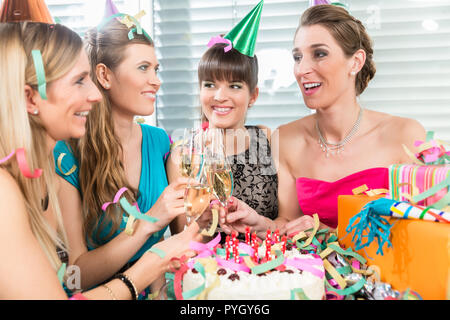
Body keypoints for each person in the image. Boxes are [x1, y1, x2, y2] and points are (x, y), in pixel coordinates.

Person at [0, 21, 199, 300]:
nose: (94, 95)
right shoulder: (11, 189)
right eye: (79, 80)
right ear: (30, 98)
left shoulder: (38, 178)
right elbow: (75, 279)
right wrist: (147, 266)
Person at [220, 4, 426, 238]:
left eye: (319, 54)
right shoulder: (286, 138)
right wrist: (258, 223)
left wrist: (330, 233)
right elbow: (290, 224)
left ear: (356, 62)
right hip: (311, 273)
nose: (302, 69)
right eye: (298, 57)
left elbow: (421, 234)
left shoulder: (406, 136)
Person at [53, 15, 189, 297]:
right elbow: (76, 274)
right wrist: (149, 221)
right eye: (143, 68)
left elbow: (182, 237)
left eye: (156, 68)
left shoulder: (161, 142)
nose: (156, 81)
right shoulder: (67, 155)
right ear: (104, 75)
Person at [166, 0, 278, 239]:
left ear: (253, 95)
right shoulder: (182, 156)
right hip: (206, 272)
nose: (219, 96)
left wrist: (258, 224)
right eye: (210, 85)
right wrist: (204, 224)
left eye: (234, 86)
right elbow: (178, 239)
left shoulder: (267, 139)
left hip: (269, 269)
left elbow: (286, 224)